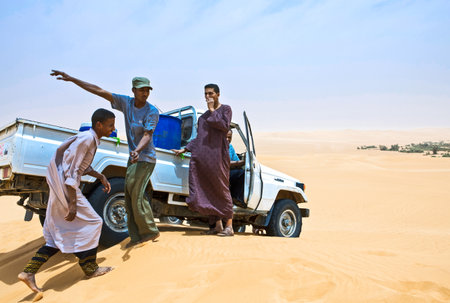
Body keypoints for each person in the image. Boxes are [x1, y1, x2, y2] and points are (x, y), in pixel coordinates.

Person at [50, 70, 160, 248]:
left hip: (146, 158)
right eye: (141, 90)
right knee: (129, 194)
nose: (145, 93)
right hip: (134, 158)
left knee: (137, 194)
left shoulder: (152, 111)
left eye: (147, 90)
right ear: (133, 90)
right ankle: (136, 236)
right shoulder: (126, 102)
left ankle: (150, 231)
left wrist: (137, 150)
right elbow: (99, 90)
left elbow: (148, 135)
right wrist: (72, 79)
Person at [18, 108, 115, 295]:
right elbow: (71, 171)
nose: (112, 129)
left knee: (56, 236)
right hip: (65, 188)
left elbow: (81, 166)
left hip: (61, 187)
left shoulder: (89, 139)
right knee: (95, 222)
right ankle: (90, 268)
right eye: (110, 125)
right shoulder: (87, 139)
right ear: (99, 125)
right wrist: (72, 204)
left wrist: (100, 176)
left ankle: (28, 272)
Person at [172, 84, 234, 236]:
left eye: (211, 93)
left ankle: (229, 227)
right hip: (203, 160)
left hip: (218, 158)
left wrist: (213, 110)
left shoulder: (226, 109)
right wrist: (185, 149)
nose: (208, 97)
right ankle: (216, 226)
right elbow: (200, 138)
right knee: (207, 190)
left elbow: (224, 126)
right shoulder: (202, 118)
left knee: (221, 190)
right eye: (206, 94)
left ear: (218, 94)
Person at [227, 130, 245, 207]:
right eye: (225, 137)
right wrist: (242, 162)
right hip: (219, 173)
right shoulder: (217, 147)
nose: (227, 139)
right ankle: (235, 198)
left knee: (241, 172)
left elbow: (236, 160)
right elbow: (224, 163)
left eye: (229, 137)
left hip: (228, 172)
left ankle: (235, 197)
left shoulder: (230, 147)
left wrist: (240, 163)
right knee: (242, 173)